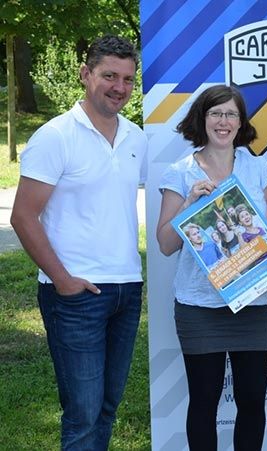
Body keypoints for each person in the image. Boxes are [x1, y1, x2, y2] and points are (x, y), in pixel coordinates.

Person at [10, 35, 147, 450]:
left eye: (127, 79)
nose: (119, 87)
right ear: (85, 74)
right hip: (75, 295)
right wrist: (63, 280)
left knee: (107, 408)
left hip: (126, 288)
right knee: (83, 415)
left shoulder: (136, 137)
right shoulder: (56, 136)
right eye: (109, 75)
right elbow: (22, 216)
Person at [156, 84, 267, 451]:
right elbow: (166, 244)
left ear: (241, 122)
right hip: (199, 306)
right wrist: (189, 203)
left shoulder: (257, 166)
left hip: (252, 303)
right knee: (203, 403)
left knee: (252, 403)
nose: (224, 121)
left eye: (231, 114)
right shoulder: (180, 172)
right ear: (202, 119)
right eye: (216, 113)